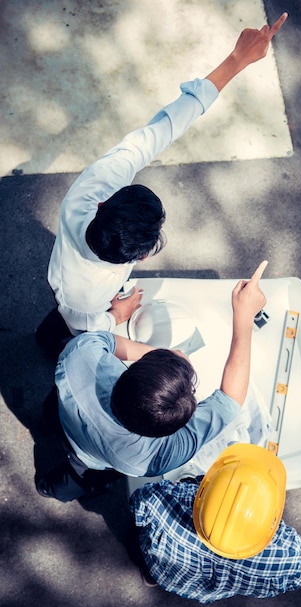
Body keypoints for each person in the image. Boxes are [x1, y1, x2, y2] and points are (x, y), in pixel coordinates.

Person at [35, 13, 288, 358]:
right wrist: (115, 317)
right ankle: (46, 344)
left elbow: (162, 130)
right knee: (61, 332)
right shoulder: (82, 293)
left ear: (103, 204)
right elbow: (84, 326)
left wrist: (237, 60)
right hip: (76, 303)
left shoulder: (92, 189)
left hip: (82, 287)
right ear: (138, 255)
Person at [35, 261, 268, 501]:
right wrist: (245, 317)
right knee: (75, 481)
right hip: (90, 460)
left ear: (133, 373)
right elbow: (231, 398)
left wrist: (160, 358)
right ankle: (48, 489)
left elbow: (104, 341)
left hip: (63, 413)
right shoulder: (157, 457)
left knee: (49, 416)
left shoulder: (81, 356)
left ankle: (43, 425)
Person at [128, 443, 301, 602]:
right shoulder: (291, 556)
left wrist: (190, 483)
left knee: (149, 559)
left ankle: (151, 577)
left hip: (165, 572)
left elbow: (137, 504)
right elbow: (294, 581)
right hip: (203, 591)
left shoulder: (163, 499)